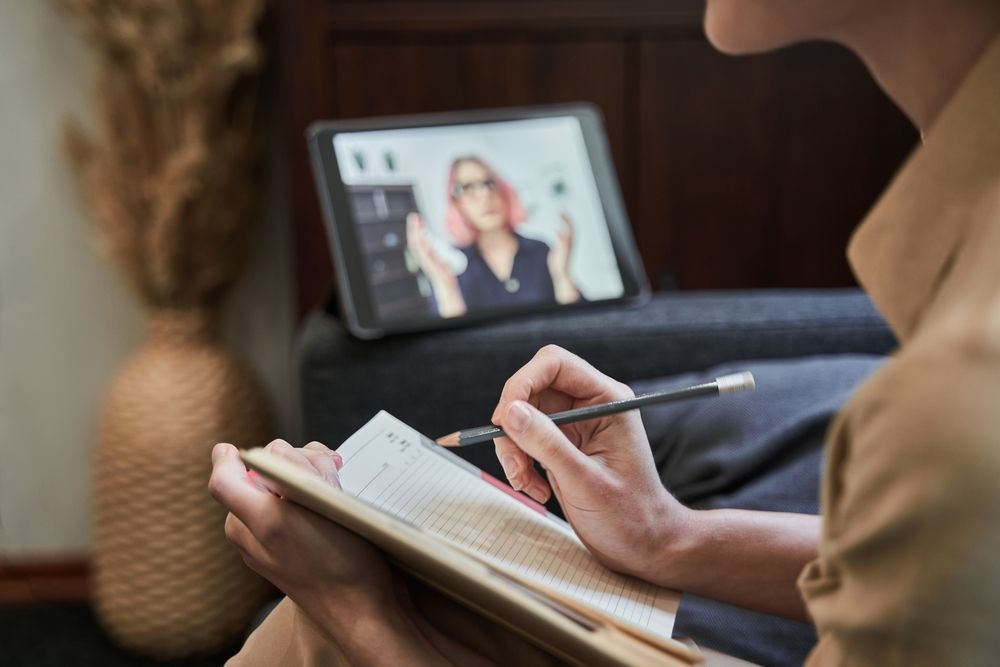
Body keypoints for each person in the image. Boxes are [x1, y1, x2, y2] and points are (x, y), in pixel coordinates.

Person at [209, 0, 1000, 664]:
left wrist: (361, 618)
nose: (484, 197)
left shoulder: (953, 396)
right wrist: (671, 536)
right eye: (469, 187)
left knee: (322, 631)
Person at [406, 155, 580, 318]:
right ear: (456, 203)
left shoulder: (540, 250)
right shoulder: (452, 267)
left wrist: (562, 275)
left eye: (489, 183)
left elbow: (575, 324)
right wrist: (446, 287)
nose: (484, 195)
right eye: (467, 187)